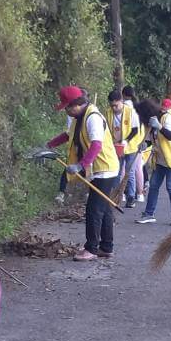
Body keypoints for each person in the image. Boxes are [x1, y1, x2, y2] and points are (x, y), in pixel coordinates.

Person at [46, 85, 119, 261]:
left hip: (105, 169)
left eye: (67, 108)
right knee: (104, 209)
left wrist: (80, 165)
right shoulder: (79, 117)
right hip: (99, 169)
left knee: (94, 210)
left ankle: (91, 249)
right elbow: (67, 135)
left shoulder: (92, 117)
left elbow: (96, 145)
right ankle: (106, 247)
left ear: (75, 105)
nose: (66, 112)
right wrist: (49, 145)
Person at [136, 96, 171, 226]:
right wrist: (145, 145)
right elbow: (150, 138)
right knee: (153, 186)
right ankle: (149, 214)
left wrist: (159, 126)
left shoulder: (166, 118)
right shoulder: (151, 123)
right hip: (161, 159)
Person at [109, 87, 144, 209]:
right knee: (116, 172)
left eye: (116, 106)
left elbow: (135, 129)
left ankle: (130, 197)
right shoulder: (108, 113)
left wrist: (126, 140)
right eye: (112, 106)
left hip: (130, 147)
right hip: (116, 147)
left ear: (121, 101)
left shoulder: (130, 112)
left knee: (129, 172)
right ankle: (115, 197)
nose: (114, 108)